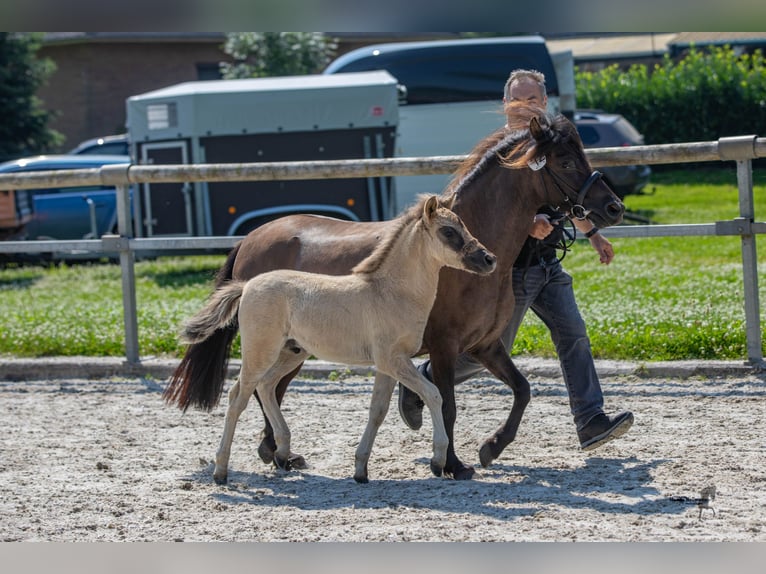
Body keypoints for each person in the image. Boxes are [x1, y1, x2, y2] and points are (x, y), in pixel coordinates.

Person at [398, 69, 633, 451]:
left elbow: (569, 191)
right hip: (509, 272)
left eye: (533, 99)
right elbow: (478, 214)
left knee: (573, 334)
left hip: (547, 264)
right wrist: (528, 224)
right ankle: (421, 380)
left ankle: (590, 421)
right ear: (506, 105)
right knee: (480, 354)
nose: (525, 106)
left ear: (544, 103)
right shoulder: (498, 154)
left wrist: (593, 234)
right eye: (518, 100)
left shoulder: (547, 144)